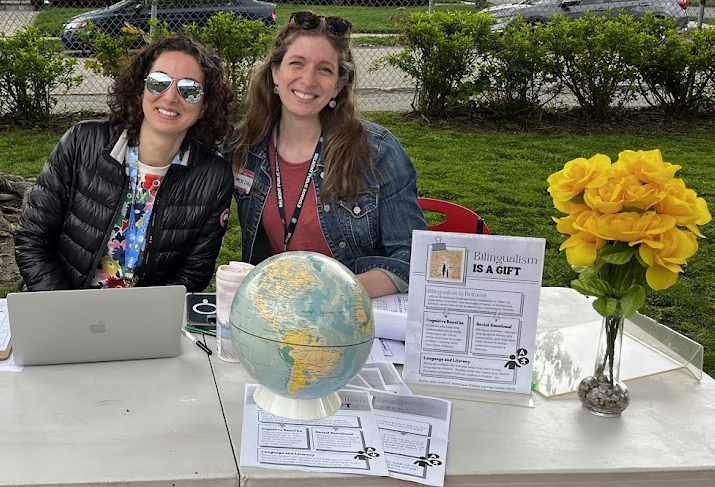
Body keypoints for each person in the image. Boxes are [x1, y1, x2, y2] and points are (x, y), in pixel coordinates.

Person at [14, 34, 234, 292]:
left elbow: (194, 273)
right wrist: (67, 310)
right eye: (158, 82)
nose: (171, 97)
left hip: (143, 320)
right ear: (141, 88)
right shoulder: (82, 142)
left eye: (190, 90)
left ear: (205, 106)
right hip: (59, 305)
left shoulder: (213, 177)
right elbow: (32, 239)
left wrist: (143, 318)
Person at [228, 12, 426, 298]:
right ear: (275, 71)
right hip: (272, 314)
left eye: (324, 69)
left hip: (351, 316)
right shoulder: (245, 147)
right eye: (297, 63)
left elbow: (412, 260)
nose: (308, 80)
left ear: (339, 83)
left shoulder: (377, 151)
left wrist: (328, 293)